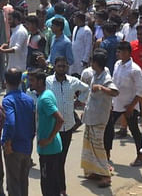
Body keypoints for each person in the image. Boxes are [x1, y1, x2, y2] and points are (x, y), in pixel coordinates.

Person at [46, 56, 88, 194]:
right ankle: (59, 189)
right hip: (52, 127)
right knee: (54, 160)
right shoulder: (48, 82)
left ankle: (60, 189)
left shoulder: (73, 81)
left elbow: (87, 89)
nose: (62, 69)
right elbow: (34, 93)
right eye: (59, 66)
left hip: (68, 127)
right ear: (55, 66)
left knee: (61, 159)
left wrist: (79, 101)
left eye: (64, 66)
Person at [106, 42, 142, 168]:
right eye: (118, 51)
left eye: (120, 52)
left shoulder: (135, 70)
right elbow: (113, 81)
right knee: (108, 128)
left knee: (134, 131)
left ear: (128, 53)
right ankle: (106, 154)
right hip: (116, 103)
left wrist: (131, 106)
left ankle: (140, 156)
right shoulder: (117, 64)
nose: (118, 54)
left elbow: (141, 90)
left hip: (129, 105)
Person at [27, 69, 64, 196]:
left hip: (49, 149)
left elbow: (60, 120)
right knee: (52, 184)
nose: (29, 83)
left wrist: (49, 139)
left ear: (40, 81)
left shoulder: (44, 99)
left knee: (48, 187)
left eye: (32, 80)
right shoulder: (47, 94)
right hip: (50, 148)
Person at [1, 67, 35, 196]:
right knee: (23, 181)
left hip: (14, 148)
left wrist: (8, 143)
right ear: (21, 81)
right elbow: (33, 124)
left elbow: (10, 122)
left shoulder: (7, 101)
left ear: (6, 81)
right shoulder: (29, 100)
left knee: (13, 184)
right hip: (26, 146)